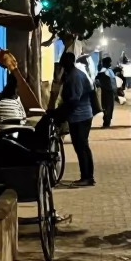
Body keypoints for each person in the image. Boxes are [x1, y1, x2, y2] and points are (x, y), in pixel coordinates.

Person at [50, 51, 95, 187]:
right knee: (82, 147)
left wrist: (60, 114)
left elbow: (74, 100)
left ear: (66, 63)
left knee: (81, 147)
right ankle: (87, 176)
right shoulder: (72, 74)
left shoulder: (74, 77)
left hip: (80, 116)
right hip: (80, 115)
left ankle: (87, 177)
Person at [95, 56, 117, 128]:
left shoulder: (103, 71)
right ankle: (107, 122)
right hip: (109, 92)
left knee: (107, 107)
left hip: (107, 92)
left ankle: (107, 122)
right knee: (109, 107)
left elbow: (97, 81)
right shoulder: (108, 71)